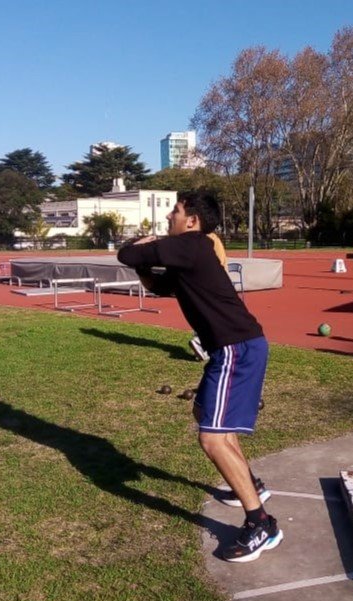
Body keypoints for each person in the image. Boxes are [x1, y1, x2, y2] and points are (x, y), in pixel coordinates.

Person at [118, 190, 282, 562]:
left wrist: (141, 245)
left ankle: (261, 524)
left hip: (236, 348)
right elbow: (159, 285)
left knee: (211, 438)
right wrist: (144, 263)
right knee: (205, 413)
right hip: (231, 347)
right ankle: (249, 484)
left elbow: (126, 254)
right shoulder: (188, 253)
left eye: (175, 212)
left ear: (191, 221)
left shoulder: (191, 244)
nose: (169, 218)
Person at [188, 231, 228, 363]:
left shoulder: (206, 238)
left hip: (210, 282)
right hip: (213, 284)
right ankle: (200, 342)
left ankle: (203, 345)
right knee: (215, 315)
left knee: (204, 314)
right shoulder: (207, 238)